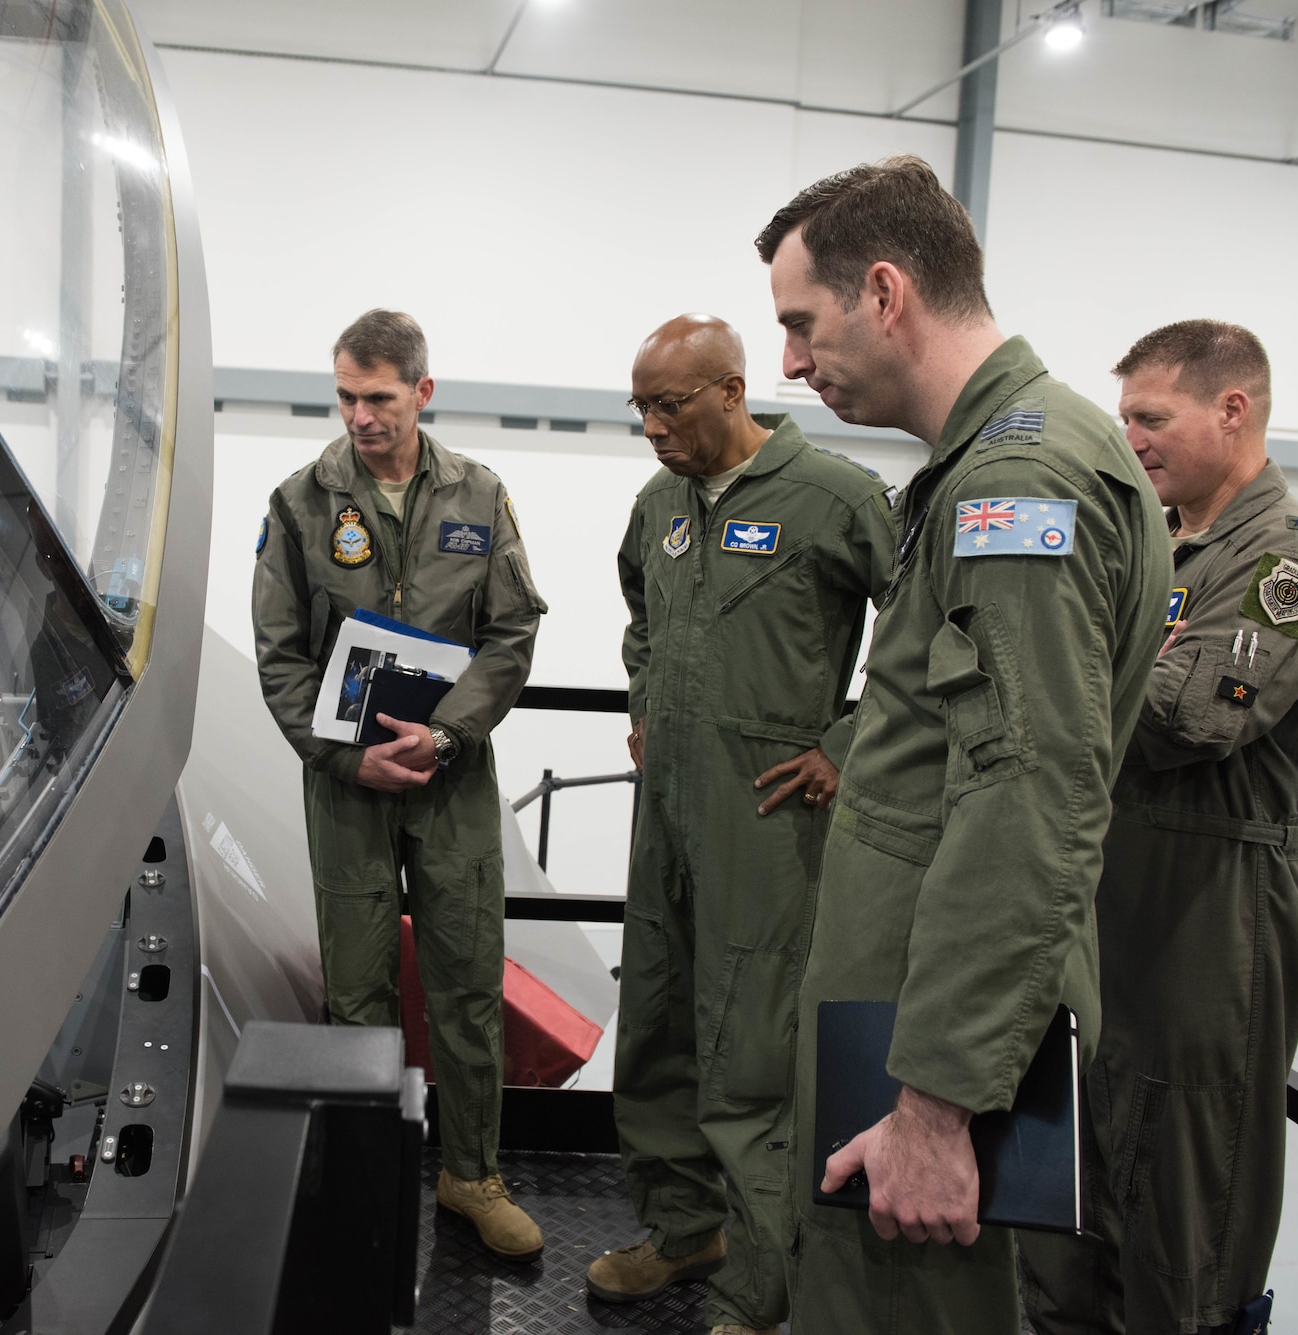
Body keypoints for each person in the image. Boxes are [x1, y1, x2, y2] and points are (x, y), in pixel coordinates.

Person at [751, 157, 1172, 1333]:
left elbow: (1030, 800)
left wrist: (934, 1108)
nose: (788, 362)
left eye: (800, 323)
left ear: (883, 293)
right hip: (909, 1019)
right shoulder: (996, 468)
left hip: (925, 1061)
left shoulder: (1017, 486)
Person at [1018, 320, 1298, 1335]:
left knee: (1184, 1183)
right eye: (1123, 415)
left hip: (1210, 904)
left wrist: (1056, 646)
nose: (1127, 437)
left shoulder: (1289, 558)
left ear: (1232, 408)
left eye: (1148, 415)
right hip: (1115, 886)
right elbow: (1136, 687)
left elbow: (1188, 715)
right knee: (1083, 1165)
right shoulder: (1165, 544)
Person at [592, 314, 895, 1335]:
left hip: (766, 820)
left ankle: (763, 1290)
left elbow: (930, 620)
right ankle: (682, 1233)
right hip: (666, 811)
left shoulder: (834, 499)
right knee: (656, 1031)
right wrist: (642, 703)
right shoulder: (659, 504)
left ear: (730, 390)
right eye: (637, 408)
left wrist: (845, 745)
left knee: (750, 1056)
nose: (649, 428)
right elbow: (639, 612)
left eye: (665, 406)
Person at [250, 309, 549, 1257]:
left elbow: (511, 637)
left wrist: (448, 734)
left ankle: (471, 1176)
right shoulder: (301, 501)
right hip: (347, 784)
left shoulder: (480, 494)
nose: (359, 415)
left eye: (378, 396)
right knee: (357, 990)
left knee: (466, 982)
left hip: (450, 778)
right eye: (345, 395)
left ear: (423, 390)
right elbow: (281, 655)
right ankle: (365, 1180)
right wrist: (346, 756)